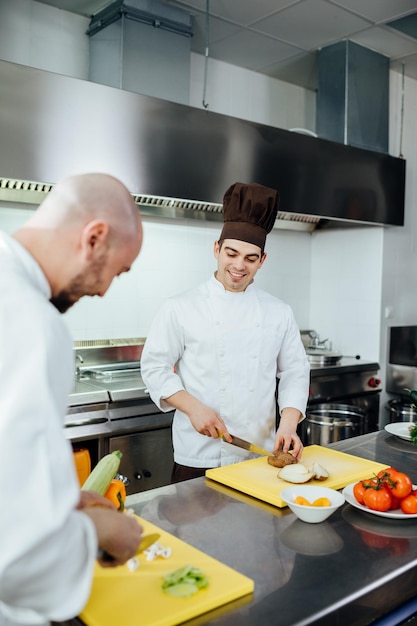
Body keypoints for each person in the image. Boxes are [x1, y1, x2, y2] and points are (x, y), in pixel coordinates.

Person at [0, 173, 144, 626]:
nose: (103, 291)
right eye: (115, 272)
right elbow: (18, 553)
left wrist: (65, 503)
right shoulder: (32, 323)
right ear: (94, 238)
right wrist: (97, 533)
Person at [141, 181, 310, 483]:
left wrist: (288, 425)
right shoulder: (180, 307)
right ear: (216, 249)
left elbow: (295, 372)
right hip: (198, 454)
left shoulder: (278, 311)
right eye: (231, 253)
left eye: (250, 258)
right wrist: (192, 407)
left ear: (263, 261)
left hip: (259, 454)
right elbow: (154, 367)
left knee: (257, 530)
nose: (238, 266)